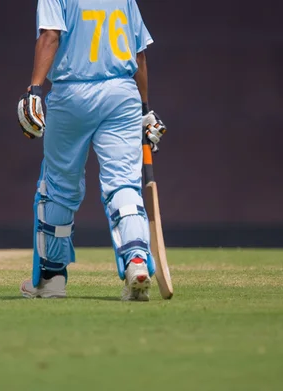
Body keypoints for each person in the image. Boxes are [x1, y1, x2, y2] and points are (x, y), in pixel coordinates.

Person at [17, 0, 167, 301]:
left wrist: (34, 89)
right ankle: (136, 261)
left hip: (72, 94)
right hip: (122, 95)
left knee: (59, 187)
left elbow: (50, 35)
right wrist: (145, 110)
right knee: (124, 183)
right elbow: (138, 56)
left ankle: (51, 278)